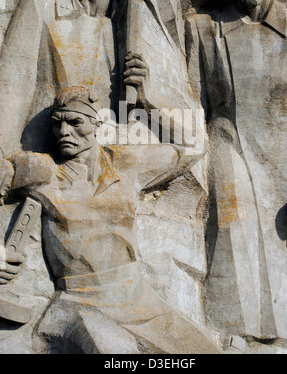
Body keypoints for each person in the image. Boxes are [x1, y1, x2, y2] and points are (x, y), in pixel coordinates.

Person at [0, 86, 219, 354]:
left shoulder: (125, 162)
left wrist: (145, 102)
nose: (64, 132)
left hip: (141, 301)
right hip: (78, 305)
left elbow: (195, 146)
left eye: (75, 122)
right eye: (58, 124)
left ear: (97, 123)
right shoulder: (43, 170)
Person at [186, 0, 287, 346]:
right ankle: (235, 333)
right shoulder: (203, 27)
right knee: (232, 232)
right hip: (227, 145)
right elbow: (190, 99)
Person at [0, 0, 146, 156]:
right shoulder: (39, 8)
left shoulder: (125, 28)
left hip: (104, 160)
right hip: (42, 152)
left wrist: (142, 94)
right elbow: (10, 91)